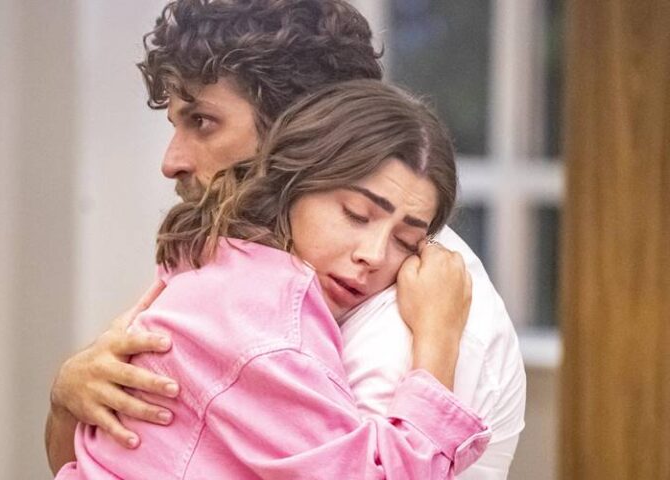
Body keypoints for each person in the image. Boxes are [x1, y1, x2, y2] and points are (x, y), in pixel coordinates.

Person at [46, 1, 526, 478]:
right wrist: (68, 398)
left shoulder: (414, 310)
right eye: (356, 215)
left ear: (300, 135)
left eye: (203, 122)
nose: (171, 163)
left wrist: (436, 342)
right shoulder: (234, 279)